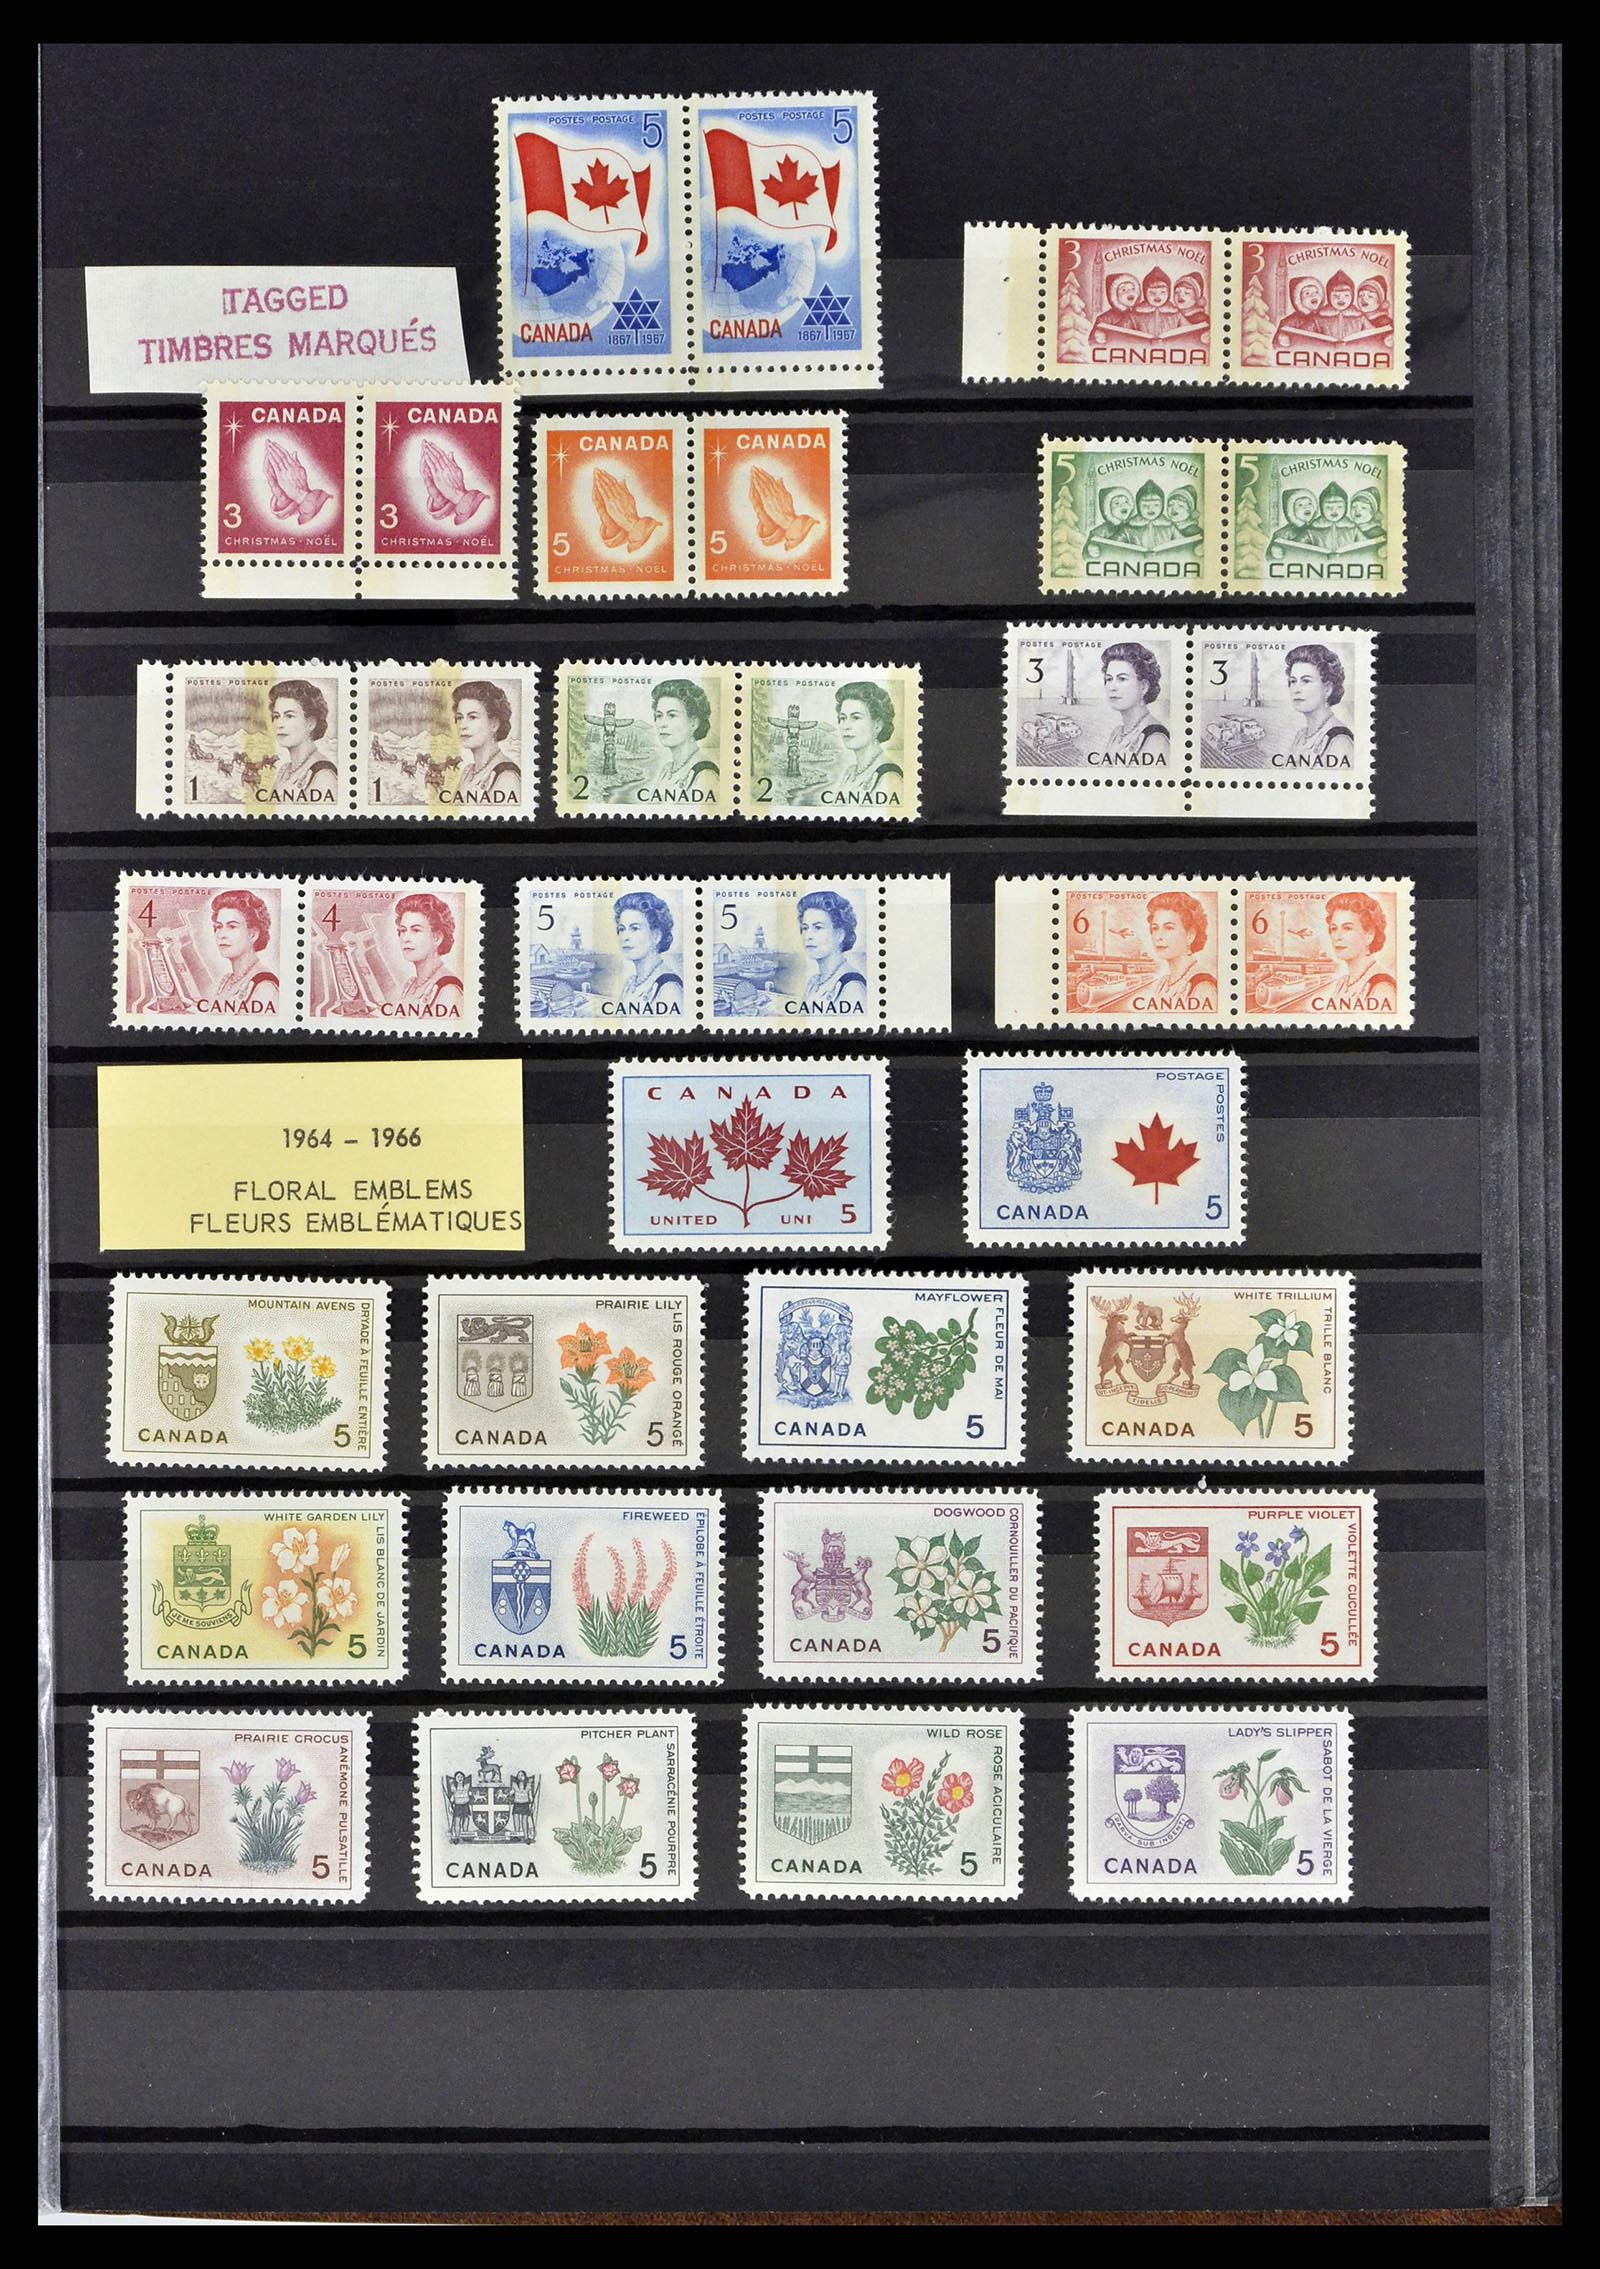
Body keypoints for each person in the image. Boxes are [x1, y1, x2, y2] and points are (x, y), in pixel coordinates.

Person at [208, 889, 279, 1013]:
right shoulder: (226, 981)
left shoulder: (264, 987)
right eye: (218, 927)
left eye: (232, 926)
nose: (221, 935)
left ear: (253, 934)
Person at [392, 893, 464, 1016]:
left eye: (416, 930)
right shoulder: (410, 985)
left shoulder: (449, 990)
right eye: (403, 930)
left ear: (437, 938)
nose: (405, 938)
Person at [612, 891, 683, 1012]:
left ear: (656, 936)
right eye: (622, 929)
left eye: (634, 928)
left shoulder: (669, 989)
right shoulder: (630, 984)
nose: (625, 937)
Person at [268, 678, 338, 801]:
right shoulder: (284, 771)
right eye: (276, 716)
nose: (279, 724)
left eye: (289, 716)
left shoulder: (323, 775)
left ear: (311, 723)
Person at [1145, 892, 1218, 1011]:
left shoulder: (1203, 987)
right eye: (1155, 928)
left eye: (1169, 928)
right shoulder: (1162, 984)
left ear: (1190, 935)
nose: (1158, 936)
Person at [796, 890, 868, 1009]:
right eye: (805, 928)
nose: (808, 936)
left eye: (818, 927)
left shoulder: (852, 988)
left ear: (840, 935)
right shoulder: (813, 983)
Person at [1284, 644, 1356, 762]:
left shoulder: (1340, 741)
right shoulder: (1300, 736)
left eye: (1306, 681)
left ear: (1327, 689)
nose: (1296, 689)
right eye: (1293, 681)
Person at [1100, 642, 1171, 760]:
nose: (1112, 687)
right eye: (1109, 679)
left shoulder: (1156, 739)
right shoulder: (1116, 734)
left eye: (1122, 679)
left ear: (1143, 687)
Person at [1324, 892, 1396, 1008]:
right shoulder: (1342, 984)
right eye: (1333, 928)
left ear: (1369, 935)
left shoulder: (1382, 988)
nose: (1337, 936)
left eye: (1347, 928)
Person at [452, 679, 520, 801]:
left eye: (472, 717)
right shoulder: (467, 773)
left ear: (494, 724)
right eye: (459, 717)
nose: (462, 725)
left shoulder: (507, 778)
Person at [650, 677, 719, 794]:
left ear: (693, 723)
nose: (662, 724)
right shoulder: (666, 770)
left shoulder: (705, 774)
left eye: (672, 715)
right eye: (659, 716)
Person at [832, 680, 901, 793]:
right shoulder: (849, 773)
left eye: (856, 717)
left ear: (877, 725)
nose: (845, 726)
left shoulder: (889, 775)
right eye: (843, 718)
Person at [1272, 272, 1331, 350]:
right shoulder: (1291, 320)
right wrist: (1281, 338)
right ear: (1298, 299)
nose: (1313, 295)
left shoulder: (1324, 317)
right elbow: (1276, 343)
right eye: (1307, 293)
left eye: (1316, 292)